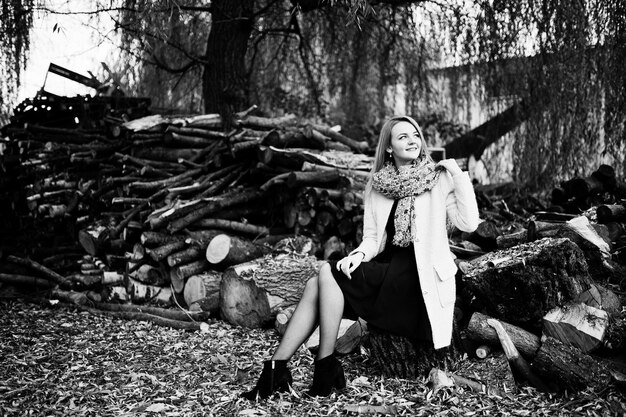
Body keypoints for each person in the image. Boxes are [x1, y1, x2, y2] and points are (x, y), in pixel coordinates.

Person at [241, 115, 480, 401]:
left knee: (325, 273)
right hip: (388, 269)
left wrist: (458, 174)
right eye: (403, 136)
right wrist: (357, 256)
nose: (412, 140)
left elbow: (469, 224)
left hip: (418, 279)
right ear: (389, 148)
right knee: (318, 282)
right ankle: (283, 368)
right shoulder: (378, 185)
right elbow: (372, 240)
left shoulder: (438, 177)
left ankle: (311, 366)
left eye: (415, 135)